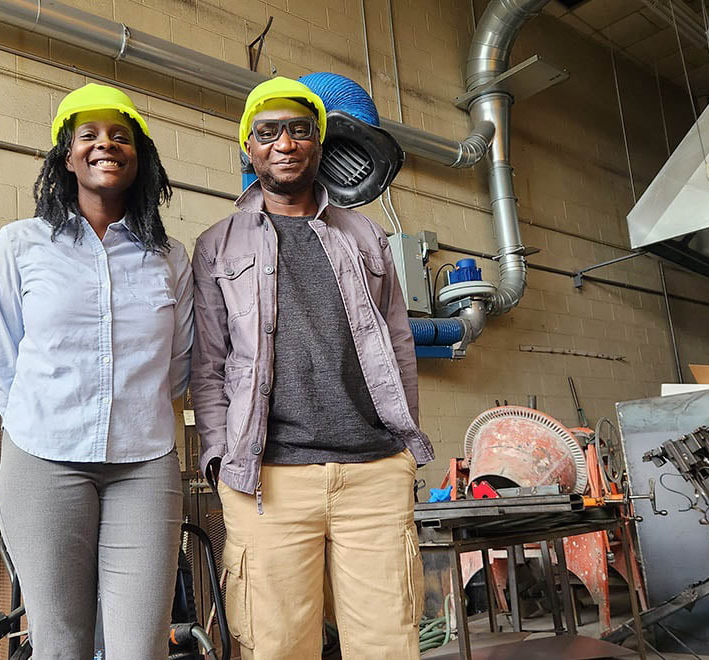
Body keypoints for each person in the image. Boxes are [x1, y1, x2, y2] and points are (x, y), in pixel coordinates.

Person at [190, 76, 434, 659]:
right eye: (269, 131)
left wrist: (401, 452)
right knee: (277, 647)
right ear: (249, 147)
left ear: (318, 144)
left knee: (388, 644)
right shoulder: (218, 245)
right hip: (269, 481)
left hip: (374, 474)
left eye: (300, 130)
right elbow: (209, 365)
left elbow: (399, 343)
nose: (285, 143)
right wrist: (223, 456)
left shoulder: (368, 236)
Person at [0, 83, 192, 659]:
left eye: (120, 135)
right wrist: (41, 424)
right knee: (60, 644)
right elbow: (3, 360)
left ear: (139, 156)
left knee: (140, 646)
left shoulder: (170, 257)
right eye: (89, 135)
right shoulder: (21, 244)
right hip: (43, 460)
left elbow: (177, 367)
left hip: (144, 464)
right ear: (66, 155)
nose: (106, 144)